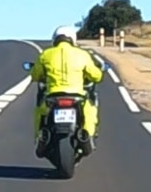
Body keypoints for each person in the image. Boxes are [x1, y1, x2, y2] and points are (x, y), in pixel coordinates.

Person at [29, 25, 104, 158]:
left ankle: (40, 138)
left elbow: (35, 75)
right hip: (77, 96)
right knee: (90, 111)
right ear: (73, 39)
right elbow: (96, 76)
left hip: (52, 95)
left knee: (39, 112)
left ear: (55, 39)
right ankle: (86, 136)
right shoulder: (82, 54)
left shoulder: (46, 54)